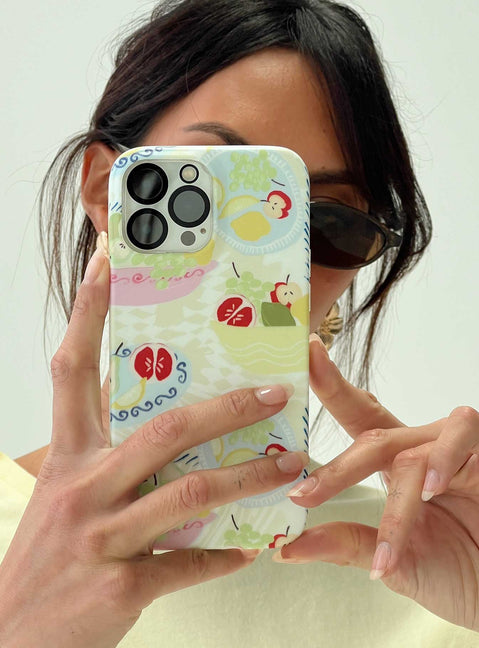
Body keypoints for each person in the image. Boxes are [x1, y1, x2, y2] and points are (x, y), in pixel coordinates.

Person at [0, 0, 478, 646]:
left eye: (330, 224)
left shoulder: (431, 561)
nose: (269, 255)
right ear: (104, 190)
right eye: (211, 189)